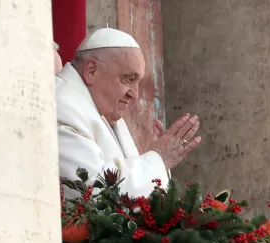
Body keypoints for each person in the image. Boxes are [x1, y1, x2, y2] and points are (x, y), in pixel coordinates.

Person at [55, 28, 201, 197]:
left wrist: (152, 159)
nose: (135, 94)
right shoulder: (61, 105)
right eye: (128, 79)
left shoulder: (105, 110)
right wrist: (159, 158)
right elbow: (94, 192)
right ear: (91, 70)